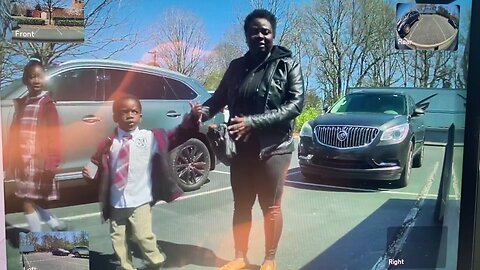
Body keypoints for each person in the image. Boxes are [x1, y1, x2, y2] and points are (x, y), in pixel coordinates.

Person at [202, 9, 304, 270]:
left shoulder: (287, 63)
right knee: (242, 205)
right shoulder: (236, 66)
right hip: (241, 148)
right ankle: (240, 256)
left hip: (274, 148)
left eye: (265, 31)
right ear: (246, 35)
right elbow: (219, 98)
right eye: (254, 31)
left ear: (273, 34)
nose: (260, 35)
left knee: (270, 207)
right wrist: (202, 112)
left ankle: (269, 258)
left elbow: (295, 105)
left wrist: (253, 122)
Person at [82, 94, 202, 270]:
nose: (129, 116)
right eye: (124, 112)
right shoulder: (109, 143)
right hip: (116, 202)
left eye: (134, 112)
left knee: (143, 236)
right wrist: (90, 173)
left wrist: (192, 118)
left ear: (140, 116)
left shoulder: (150, 137)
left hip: (140, 200)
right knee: (118, 238)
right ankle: (126, 266)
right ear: (115, 117)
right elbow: (96, 163)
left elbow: (177, 135)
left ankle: (156, 260)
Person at [4, 58, 66, 232]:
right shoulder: (21, 105)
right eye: (32, 77)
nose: (36, 80)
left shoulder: (47, 105)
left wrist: (52, 161)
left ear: (45, 79)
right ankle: (54, 223)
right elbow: (13, 136)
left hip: (39, 162)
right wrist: (6, 160)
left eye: (39, 76)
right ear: (26, 80)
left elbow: (54, 136)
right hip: (23, 163)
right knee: (30, 199)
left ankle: (37, 237)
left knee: (27, 201)